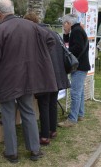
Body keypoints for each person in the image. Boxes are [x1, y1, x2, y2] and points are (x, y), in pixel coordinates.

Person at [0, 0, 57, 163]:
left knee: (8, 114)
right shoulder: (32, 26)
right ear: (12, 10)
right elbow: (51, 40)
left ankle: (12, 152)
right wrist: (37, 57)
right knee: (28, 112)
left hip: (7, 80)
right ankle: (35, 150)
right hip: (28, 78)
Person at [23, 12, 70, 145]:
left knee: (44, 104)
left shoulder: (36, 34)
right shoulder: (53, 33)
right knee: (52, 103)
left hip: (45, 75)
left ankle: (44, 136)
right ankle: (52, 130)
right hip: (58, 74)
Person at [58, 14, 90, 127]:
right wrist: (66, 35)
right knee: (79, 92)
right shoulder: (77, 29)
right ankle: (80, 114)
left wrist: (68, 54)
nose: (63, 27)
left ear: (68, 23)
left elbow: (76, 48)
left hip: (79, 67)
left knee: (75, 93)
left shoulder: (76, 31)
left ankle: (72, 118)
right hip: (82, 66)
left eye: (64, 24)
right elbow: (68, 44)